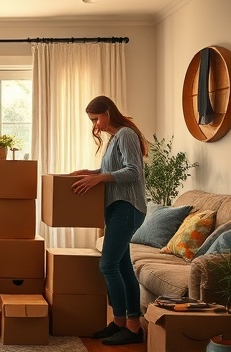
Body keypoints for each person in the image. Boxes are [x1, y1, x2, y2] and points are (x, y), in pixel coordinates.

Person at [71, 95, 148, 346]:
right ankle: (122, 325)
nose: (95, 125)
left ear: (106, 112)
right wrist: (90, 172)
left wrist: (99, 179)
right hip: (117, 208)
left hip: (128, 207)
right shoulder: (115, 139)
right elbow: (111, 171)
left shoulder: (125, 134)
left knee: (108, 265)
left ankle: (130, 326)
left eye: (96, 119)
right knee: (123, 267)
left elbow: (133, 171)